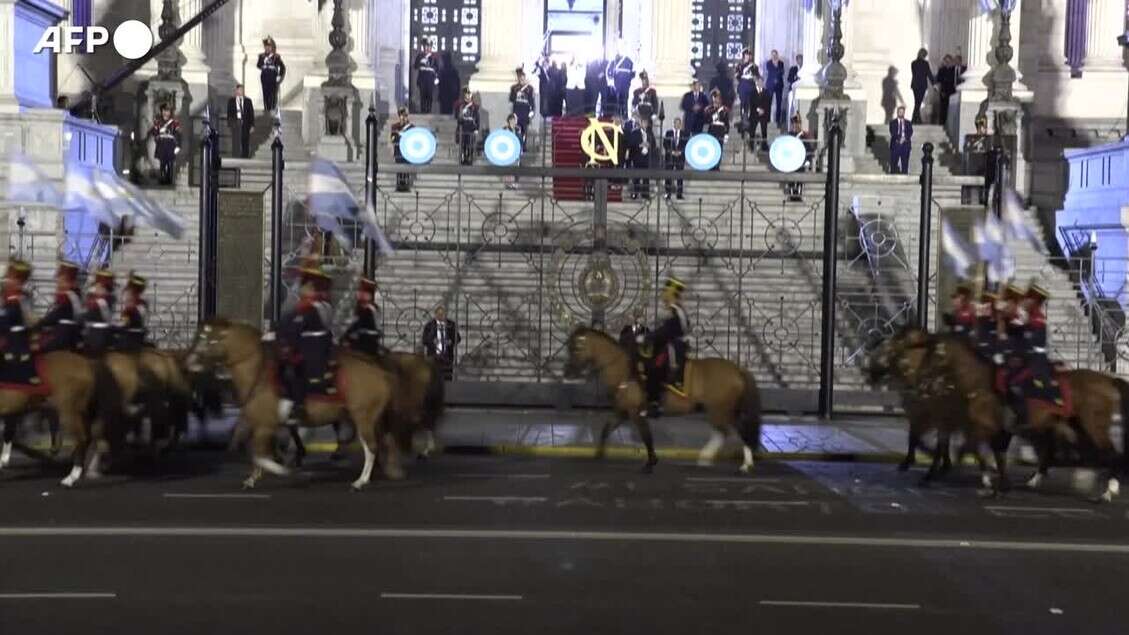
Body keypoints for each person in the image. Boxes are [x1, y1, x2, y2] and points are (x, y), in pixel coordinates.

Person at [278, 260, 334, 423]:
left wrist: (286, 342)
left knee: (294, 373)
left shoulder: (316, 307)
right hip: (303, 347)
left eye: (305, 285)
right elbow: (289, 324)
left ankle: (298, 407)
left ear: (312, 287)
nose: (301, 288)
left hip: (312, 352)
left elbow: (298, 327)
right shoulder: (306, 306)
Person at [643, 278, 690, 417]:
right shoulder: (673, 310)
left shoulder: (676, 311)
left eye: (665, 293)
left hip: (674, 347)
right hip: (669, 344)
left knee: (655, 368)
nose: (663, 296)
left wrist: (648, 338)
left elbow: (666, 331)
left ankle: (654, 404)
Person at [37, 261, 83, 353]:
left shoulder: (67, 297)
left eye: (62, 280)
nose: (58, 284)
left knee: (39, 350)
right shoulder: (75, 295)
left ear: (71, 283)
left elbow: (56, 315)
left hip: (63, 337)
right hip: (73, 336)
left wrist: (39, 323)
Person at [344, 278, 384, 358]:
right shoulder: (366, 308)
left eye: (363, 292)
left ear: (370, 295)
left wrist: (346, 336)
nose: (359, 294)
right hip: (366, 339)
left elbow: (356, 325)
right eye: (359, 291)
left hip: (367, 342)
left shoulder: (368, 310)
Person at [422, 305, 460, 380]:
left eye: (442, 314)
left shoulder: (451, 324)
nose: (440, 316)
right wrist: (432, 342)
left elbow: (458, 338)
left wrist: (451, 341)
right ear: (435, 315)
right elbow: (424, 340)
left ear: (445, 315)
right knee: (434, 378)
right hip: (434, 356)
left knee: (447, 377)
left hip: (447, 356)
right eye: (439, 314)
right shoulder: (429, 325)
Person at [82, 269, 114, 355]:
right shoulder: (94, 297)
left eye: (99, 285)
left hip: (98, 333)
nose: (96, 288)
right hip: (92, 330)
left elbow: (106, 317)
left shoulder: (107, 298)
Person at [149, 102, 181, 185]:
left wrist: (178, 146)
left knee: (170, 163)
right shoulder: (158, 122)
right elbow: (154, 132)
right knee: (162, 163)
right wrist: (158, 132)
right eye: (164, 110)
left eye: (168, 111)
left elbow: (177, 134)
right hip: (162, 144)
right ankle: (162, 179)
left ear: (170, 112)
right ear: (162, 111)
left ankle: (169, 179)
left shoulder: (174, 122)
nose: (166, 113)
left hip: (170, 144)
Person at [116, 272, 148, 353]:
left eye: (132, 288)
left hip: (133, 331)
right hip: (130, 327)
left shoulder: (140, 303)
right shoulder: (131, 300)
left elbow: (132, 318)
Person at [627, 114, 657, 199]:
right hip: (637, 157)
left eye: (646, 122)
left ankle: (645, 193)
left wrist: (649, 144)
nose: (645, 124)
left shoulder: (650, 133)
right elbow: (630, 144)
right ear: (640, 123)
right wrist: (639, 145)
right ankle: (635, 193)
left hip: (646, 158)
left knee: (646, 177)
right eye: (643, 122)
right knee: (636, 177)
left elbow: (654, 144)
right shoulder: (634, 132)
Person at [256, 36, 286, 115]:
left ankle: (272, 110)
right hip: (264, 77)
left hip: (273, 77)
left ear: (272, 47)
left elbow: (282, 67)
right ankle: (266, 110)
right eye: (266, 47)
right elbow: (258, 65)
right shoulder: (261, 56)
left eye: (269, 47)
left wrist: (279, 75)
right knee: (265, 94)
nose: (268, 48)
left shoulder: (276, 57)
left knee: (272, 95)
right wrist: (263, 62)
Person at [226, 84, 255, 159]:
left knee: (245, 140)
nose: (240, 91)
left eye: (242, 90)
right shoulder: (231, 101)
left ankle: (245, 157)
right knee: (235, 141)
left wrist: (252, 125)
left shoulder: (248, 101)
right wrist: (230, 124)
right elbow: (229, 113)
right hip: (236, 124)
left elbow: (251, 114)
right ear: (236, 91)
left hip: (245, 124)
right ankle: (235, 156)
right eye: (239, 90)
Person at [509, 68, 535, 150]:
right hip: (516, 111)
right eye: (520, 78)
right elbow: (511, 99)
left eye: (523, 78)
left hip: (525, 111)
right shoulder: (514, 88)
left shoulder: (529, 88)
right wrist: (517, 93)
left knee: (524, 130)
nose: (522, 79)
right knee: (516, 129)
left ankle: (523, 145)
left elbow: (531, 100)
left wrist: (532, 111)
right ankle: (516, 145)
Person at [606, 48, 636, 118]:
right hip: (622, 84)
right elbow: (633, 73)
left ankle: (622, 114)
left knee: (622, 99)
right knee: (621, 99)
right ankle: (622, 114)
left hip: (621, 84)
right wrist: (628, 78)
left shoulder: (628, 61)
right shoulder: (615, 61)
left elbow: (609, 72)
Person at [390, 107, 414, 192]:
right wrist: (399, 135)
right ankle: (399, 185)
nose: (403, 117)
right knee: (399, 169)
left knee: (406, 169)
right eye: (402, 115)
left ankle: (406, 186)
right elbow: (393, 139)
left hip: (407, 151)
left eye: (405, 115)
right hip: (398, 150)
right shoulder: (395, 126)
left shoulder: (411, 127)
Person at [664, 117, 688, 200]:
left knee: (679, 176)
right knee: (668, 176)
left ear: (680, 124)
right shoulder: (668, 132)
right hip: (670, 157)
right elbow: (665, 144)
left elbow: (686, 145)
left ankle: (679, 194)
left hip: (680, 158)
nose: (677, 125)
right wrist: (672, 152)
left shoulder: (684, 134)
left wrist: (680, 152)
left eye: (679, 123)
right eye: (676, 123)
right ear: (673, 124)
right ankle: (668, 193)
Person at [705, 89, 729, 170]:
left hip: (720, 130)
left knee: (719, 148)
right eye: (714, 98)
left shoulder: (724, 109)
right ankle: (711, 165)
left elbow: (726, 122)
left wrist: (726, 134)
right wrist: (715, 110)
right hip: (712, 129)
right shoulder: (708, 109)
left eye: (718, 98)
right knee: (712, 148)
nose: (716, 100)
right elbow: (708, 119)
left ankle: (717, 166)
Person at [414, 39, 440, 114]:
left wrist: (436, 76)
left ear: (431, 47)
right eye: (425, 46)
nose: (427, 48)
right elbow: (416, 66)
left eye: (429, 46)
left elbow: (437, 68)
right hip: (422, 77)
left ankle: (428, 110)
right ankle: (423, 110)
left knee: (429, 94)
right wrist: (421, 63)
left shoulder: (434, 57)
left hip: (430, 78)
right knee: (422, 94)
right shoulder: (420, 56)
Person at [456, 89, 480, 166]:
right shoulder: (461, 106)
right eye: (466, 94)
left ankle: (469, 159)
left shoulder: (475, 107)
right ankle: (463, 158)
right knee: (463, 145)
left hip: (471, 128)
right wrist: (461, 114)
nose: (468, 96)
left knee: (470, 145)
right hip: (463, 127)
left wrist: (476, 129)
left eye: (469, 94)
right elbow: (458, 118)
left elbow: (477, 118)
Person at [910, 48, 934, 124]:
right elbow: (929, 74)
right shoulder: (925, 64)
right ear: (924, 55)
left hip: (915, 85)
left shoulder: (913, 63)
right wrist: (934, 84)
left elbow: (915, 74)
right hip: (922, 86)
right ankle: (914, 119)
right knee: (918, 102)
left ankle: (918, 120)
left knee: (917, 102)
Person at [735, 48, 758, 126]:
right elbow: (737, 76)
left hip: (751, 85)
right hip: (743, 85)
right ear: (744, 55)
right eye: (746, 55)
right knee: (743, 102)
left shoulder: (754, 66)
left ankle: (749, 118)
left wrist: (755, 77)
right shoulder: (739, 65)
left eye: (749, 55)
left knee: (750, 103)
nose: (748, 56)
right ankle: (743, 118)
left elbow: (757, 76)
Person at [763, 49, 786, 127]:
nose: (774, 56)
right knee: (768, 102)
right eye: (772, 54)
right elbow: (770, 71)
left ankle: (777, 120)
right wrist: (775, 77)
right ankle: (767, 119)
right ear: (771, 55)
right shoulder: (768, 63)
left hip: (779, 85)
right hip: (770, 85)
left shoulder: (781, 63)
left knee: (779, 103)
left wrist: (777, 77)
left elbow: (782, 72)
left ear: (777, 55)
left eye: (775, 54)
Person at [889, 105, 912, 175]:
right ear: (897, 112)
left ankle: (904, 175)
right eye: (900, 112)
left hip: (905, 144)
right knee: (893, 163)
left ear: (904, 113)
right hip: (896, 144)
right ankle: (893, 176)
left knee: (905, 163)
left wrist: (904, 138)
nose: (901, 113)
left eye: (902, 112)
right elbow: (892, 132)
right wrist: (899, 139)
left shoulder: (908, 123)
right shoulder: (893, 122)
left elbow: (910, 132)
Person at [752, 76, 773, 151]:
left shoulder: (766, 92)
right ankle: (752, 146)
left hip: (763, 115)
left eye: (761, 82)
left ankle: (764, 146)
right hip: (755, 114)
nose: (760, 83)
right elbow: (751, 103)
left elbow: (768, 103)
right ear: (756, 82)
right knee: (753, 131)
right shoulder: (753, 92)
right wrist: (757, 109)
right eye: (758, 82)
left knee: (764, 131)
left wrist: (763, 110)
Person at [437, 50, 461, 115]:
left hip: (447, 94)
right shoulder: (453, 70)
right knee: (447, 112)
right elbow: (458, 83)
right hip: (449, 94)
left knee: (445, 112)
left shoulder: (444, 71)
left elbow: (457, 83)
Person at [936, 54, 957, 126]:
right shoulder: (941, 70)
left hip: (952, 91)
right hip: (944, 91)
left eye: (949, 61)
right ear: (944, 61)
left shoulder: (954, 69)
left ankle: (950, 124)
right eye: (946, 61)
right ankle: (942, 123)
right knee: (943, 109)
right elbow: (938, 81)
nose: (947, 62)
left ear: (951, 61)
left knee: (952, 108)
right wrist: (941, 91)